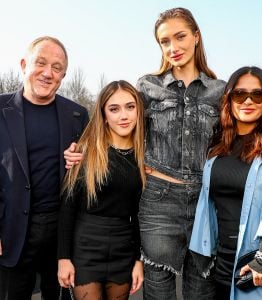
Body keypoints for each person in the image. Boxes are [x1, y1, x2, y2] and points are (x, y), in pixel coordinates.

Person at [64, 7, 225, 299]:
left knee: (202, 289)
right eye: (165, 41)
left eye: (180, 37)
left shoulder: (219, 91)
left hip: (205, 202)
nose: (173, 48)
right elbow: (120, 125)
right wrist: (82, 150)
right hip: (159, 202)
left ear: (197, 37)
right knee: (159, 292)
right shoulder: (148, 87)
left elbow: (228, 144)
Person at [190, 66, 262, 299]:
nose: (248, 101)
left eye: (257, 94)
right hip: (221, 263)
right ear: (229, 99)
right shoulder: (218, 144)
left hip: (257, 264)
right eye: (240, 94)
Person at [0, 36, 89, 300]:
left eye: (57, 67)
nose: (48, 73)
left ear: (64, 74)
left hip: (60, 235)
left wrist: (83, 163)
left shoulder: (77, 115)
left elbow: (88, 175)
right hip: (11, 229)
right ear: (24, 64)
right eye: (41, 63)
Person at [57, 80, 145, 300]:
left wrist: (137, 260)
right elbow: (67, 210)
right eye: (114, 109)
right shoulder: (85, 153)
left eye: (130, 107)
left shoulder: (145, 158)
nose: (123, 115)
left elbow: (138, 215)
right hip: (86, 250)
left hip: (123, 251)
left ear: (138, 111)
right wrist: (63, 258)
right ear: (104, 115)